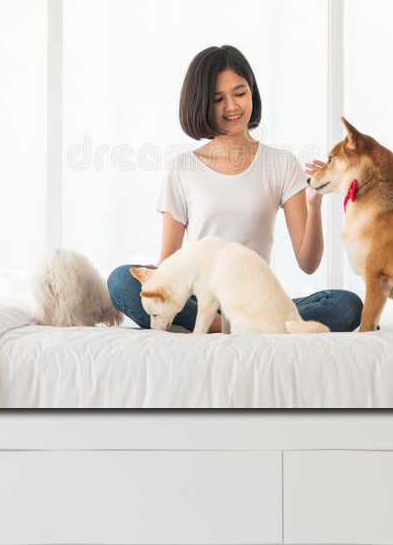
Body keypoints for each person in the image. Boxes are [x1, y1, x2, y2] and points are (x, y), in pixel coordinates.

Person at [108, 44, 362, 332]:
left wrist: (314, 205)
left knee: (346, 305)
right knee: (120, 280)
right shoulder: (182, 168)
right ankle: (234, 326)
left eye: (240, 93)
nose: (232, 106)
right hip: (202, 300)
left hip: (255, 301)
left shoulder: (281, 163)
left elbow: (308, 263)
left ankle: (231, 325)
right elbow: (168, 262)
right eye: (218, 99)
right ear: (201, 104)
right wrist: (151, 283)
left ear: (252, 92)